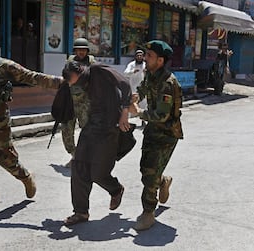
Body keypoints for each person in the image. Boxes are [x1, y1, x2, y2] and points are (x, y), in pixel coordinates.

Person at [0, 27, 64, 218]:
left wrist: (61, 82)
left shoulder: (4, 66)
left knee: (6, 160)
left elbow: (31, 77)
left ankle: (25, 177)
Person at [61, 61, 132, 226]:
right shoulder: (79, 81)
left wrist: (125, 112)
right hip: (91, 126)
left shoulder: (98, 70)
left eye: (76, 81)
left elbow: (125, 83)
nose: (77, 85)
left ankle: (115, 189)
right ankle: (80, 212)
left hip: (109, 128)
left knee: (99, 173)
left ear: (80, 71)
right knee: (78, 167)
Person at [129, 40, 183, 231]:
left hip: (167, 133)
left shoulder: (168, 83)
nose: (145, 58)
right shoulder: (151, 75)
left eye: (149, 56)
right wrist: (137, 96)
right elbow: (144, 88)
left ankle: (148, 212)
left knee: (150, 173)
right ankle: (164, 181)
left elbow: (162, 115)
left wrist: (138, 113)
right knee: (146, 169)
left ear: (160, 60)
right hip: (153, 130)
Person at [61, 38, 96, 168]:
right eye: (78, 49)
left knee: (87, 132)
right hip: (70, 101)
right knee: (66, 130)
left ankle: (86, 157)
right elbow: (65, 78)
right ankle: (74, 155)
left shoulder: (92, 63)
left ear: (87, 51)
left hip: (85, 102)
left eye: (83, 50)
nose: (81, 52)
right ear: (75, 50)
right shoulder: (70, 61)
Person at [123, 49, 147, 117]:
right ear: (135, 56)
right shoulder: (131, 64)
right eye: (138, 55)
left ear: (143, 57)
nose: (139, 57)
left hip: (143, 87)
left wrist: (146, 72)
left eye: (141, 55)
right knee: (132, 103)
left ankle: (143, 120)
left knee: (143, 104)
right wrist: (133, 71)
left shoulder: (146, 65)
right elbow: (125, 73)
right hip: (133, 87)